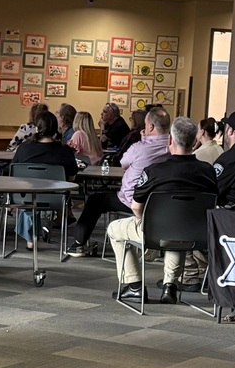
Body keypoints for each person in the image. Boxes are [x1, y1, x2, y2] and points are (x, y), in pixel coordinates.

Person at [107, 116, 218, 303]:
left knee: (114, 229)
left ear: (170, 141)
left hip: (156, 232)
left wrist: (147, 224)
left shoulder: (155, 171)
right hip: (196, 233)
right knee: (178, 229)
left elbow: (136, 207)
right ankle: (170, 286)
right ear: (195, 141)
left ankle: (133, 285)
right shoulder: (208, 171)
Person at [67, 107, 172, 257]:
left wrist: (143, 141)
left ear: (150, 127)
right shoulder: (173, 147)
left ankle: (78, 244)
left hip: (132, 200)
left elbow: (123, 163)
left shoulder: (139, 148)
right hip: (161, 202)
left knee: (95, 200)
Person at [13, 110, 78, 249]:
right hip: (56, 198)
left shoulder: (23, 148)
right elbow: (71, 178)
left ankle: (31, 238)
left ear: (37, 128)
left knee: (30, 199)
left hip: (25, 196)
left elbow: (14, 174)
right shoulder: (65, 151)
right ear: (56, 129)